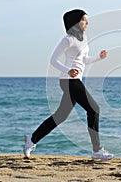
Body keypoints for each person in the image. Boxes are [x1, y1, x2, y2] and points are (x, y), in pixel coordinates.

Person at [24, 9, 114, 160]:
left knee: (60, 116)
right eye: (84, 20)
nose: (87, 23)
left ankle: (31, 140)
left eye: (87, 20)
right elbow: (53, 60)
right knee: (94, 109)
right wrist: (68, 70)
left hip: (74, 80)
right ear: (75, 22)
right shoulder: (68, 39)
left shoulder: (83, 39)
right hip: (68, 80)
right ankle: (97, 151)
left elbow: (84, 60)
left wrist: (99, 57)